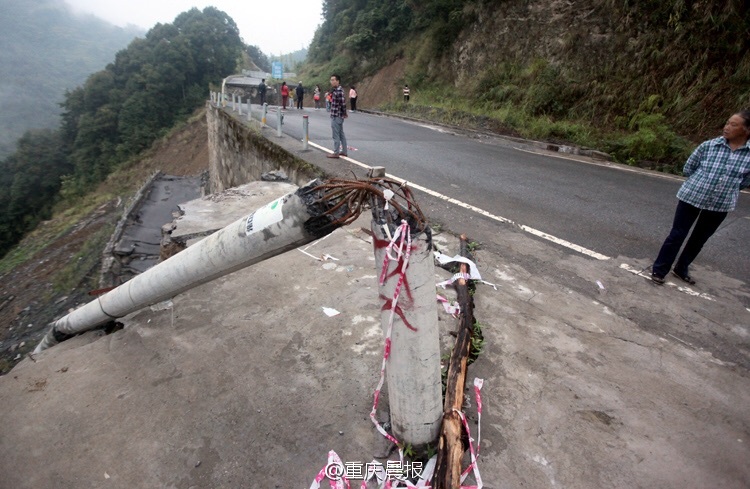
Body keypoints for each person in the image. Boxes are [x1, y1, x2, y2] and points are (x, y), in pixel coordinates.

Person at [651, 110, 750, 285]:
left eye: (733, 125)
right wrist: (702, 183)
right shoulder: (709, 146)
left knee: (699, 239)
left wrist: (725, 189)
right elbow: (689, 168)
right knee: (677, 234)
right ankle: (659, 270)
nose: (727, 127)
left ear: (746, 130)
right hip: (692, 196)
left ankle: (681, 268)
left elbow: (745, 181)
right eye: (727, 123)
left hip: (720, 204)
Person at [327, 74, 348, 158]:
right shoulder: (336, 90)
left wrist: (344, 113)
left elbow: (343, 104)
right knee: (341, 134)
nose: (331, 81)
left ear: (337, 81)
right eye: (331, 80)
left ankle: (336, 153)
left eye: (333, 80)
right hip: (338, 115)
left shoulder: (338, 91)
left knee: (336, 135)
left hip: (337, 116)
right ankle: (344, 152)